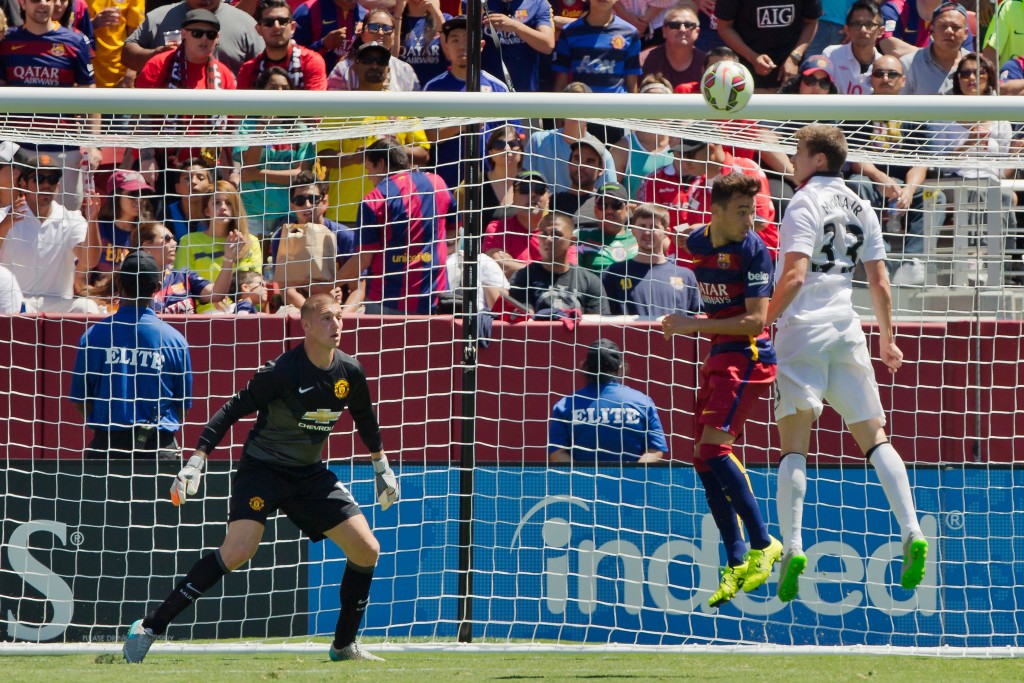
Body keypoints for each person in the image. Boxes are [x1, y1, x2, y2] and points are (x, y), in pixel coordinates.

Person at [121, 293, 399, 664]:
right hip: (263, 470)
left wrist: (381, 466)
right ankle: (149, 626)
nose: (336, 325)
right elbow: (231, 410)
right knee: (238, 551)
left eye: (339, 317)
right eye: (327, 318)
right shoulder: (282, 372)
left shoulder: (350, 372)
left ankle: (343, 645)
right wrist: (196, 461)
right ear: (306, 326)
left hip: (309, 474)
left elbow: (365, 418)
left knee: (367, 550)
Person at [766, 123, 928, 603]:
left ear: (818, 159)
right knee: (875, 438)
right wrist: (887, 340)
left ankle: (793, 547)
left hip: (802, 330)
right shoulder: (862, 205)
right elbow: (879, 282)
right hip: (847, 328)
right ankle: (912, 530)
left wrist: (761, 323)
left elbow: (795, 275)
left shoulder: (803, 202)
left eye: (798, 153)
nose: (792, 161)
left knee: (794, 446)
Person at [660, 172, 781, 609]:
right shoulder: (698, 242)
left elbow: (756, 321)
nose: (750, 220)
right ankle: (735, 559)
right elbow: (682, 237)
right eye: (742, 211)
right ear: (716, 212)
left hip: (748, 355)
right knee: (701, 458)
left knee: (714, 450)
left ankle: (764, 542)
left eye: (753, 211)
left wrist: (692, 323)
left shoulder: (754, 250)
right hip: (719, 355)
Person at [69, 250, 192, 460]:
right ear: (158, 287)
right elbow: (182, 406)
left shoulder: (93, 336)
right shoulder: (175, 340)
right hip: (159, 451)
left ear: (118, 281)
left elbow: (82, 400)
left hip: (108, 449)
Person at [0, 0, 98, 211]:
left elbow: (91, 96)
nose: (43, 4)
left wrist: (93, 144)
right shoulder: (7, 42)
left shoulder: (75, 40)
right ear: (22, 3)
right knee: (15, 221)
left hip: (63, 148)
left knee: (67, 221)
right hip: (17, 149)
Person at [338, 138, 452, 315]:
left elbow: (363, 260)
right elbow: (452, 232)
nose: (368, 176)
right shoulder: (437, 183)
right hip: (435, 298)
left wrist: (331, 283)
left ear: (381, 164)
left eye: (368, 169)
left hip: (387, 301)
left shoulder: (374, 200)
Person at [0, 153, 100, 313]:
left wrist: (93, 220)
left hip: (56, 303)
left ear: (58, 185)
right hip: (15, 302)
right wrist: (5, 226)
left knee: (88, 308)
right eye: (39, 179)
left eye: (52, 179)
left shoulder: (71, 218)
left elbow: (90, 261)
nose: (46, 185)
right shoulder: (4, 216)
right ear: (24, 183)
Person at [549, 338, 668, 463]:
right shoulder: (642, 402)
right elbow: (655, 450)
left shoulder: (565, 405)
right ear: (620, 368)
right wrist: (633, 474)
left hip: (582, 476)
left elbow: (557, 453)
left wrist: (582, 475)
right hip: (632, 476)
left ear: (585, 367)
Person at [173, 180, 262, 312]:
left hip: (244, 311)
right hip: (204, 314)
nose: (223, 207)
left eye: (229, 203)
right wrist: (213, 298)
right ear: (206, 211)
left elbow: (257, 288)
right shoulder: (189, 241)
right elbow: (181, 287)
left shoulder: (251, 242)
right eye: (216, 203)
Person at [602, 203, 701, 318]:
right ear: (633, 230)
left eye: (654, 227)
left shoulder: (686, 276)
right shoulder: (614, 273)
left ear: (666, 232)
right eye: (642, 226)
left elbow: (698, 320)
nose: (647, 232)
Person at [123, 0, 263, 76]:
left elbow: (264, 68)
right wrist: (155, 56)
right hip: (166, 115)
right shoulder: (159, 17)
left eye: (210, 35)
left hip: (226, 115)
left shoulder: (246, 23)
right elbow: (127, 53)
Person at [508, 211, 609, 315]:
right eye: (544, 234)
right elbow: (524, 321)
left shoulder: (590, 282)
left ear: (572, 241)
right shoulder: (523, 277)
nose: (548, 239)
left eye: (556, 235)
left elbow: (598, 323)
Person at [135, 220, 239, 314]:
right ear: (147, 246)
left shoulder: (184, 276)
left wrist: (229, 258)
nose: (174, 243)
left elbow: (216, 294)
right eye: (167, 239)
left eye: (173, 239)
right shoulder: (134, 283)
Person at [714, 0, 820, 91]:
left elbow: (811, 22)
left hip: (789, 74)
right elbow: (724, 26)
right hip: (746, 75)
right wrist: (752, 57)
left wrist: (794, 57)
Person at [552, 0, 642, 93]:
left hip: (616, 101)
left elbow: (632, 83)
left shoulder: (629, 33)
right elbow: (561, 82)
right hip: (580, 101)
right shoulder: (569, 32)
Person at [237, 0, 328, 91]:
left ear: (293, 27)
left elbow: (315, 100)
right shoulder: (248, 70)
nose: (276, 27)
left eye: (282, 21)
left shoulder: (311, 62)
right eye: (269, 22)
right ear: (259, 29)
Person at [483, 170, 554, 279]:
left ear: (548, 197)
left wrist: (513, 264)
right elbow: (499, 266)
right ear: (513, 197)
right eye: (525, 189)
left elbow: (566, 271)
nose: (532, 194)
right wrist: (546, 271)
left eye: (539, 189)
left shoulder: (558, 232)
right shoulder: (498, 228)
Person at [327, 8, 419, 92]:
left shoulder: (405, 71)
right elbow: (332, 103)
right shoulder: (343, 70)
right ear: (362, 33)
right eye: (374, 27)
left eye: (387, 29)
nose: (381, 32)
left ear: (394, 36)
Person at [480, 0, 555, 93]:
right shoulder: (478, 3)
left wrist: (516, 27)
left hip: (525, 89)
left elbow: (548, 45)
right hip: (488, 88)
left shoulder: (538, 3)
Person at [899, 2, 969, 95]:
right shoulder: (908, 65)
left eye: (955, 27)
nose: (949, 31)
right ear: (932, 30)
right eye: (943, 26)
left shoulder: (976, 64)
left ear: (966, 33)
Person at [639, 4, 706, 90]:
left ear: (697, 32)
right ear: (664, 31)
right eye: (675, 25)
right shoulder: (644, 61)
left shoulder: (706, 64)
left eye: (688, 25)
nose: (682, 29)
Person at [823, 1, 883, 95]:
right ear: (847, 29)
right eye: (857, 24)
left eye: (869, 24)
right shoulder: (831, 55)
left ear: (881, 31)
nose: (863, 30)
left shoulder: (884, 67)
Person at [577, 182, 638, 274]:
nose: (609, 211)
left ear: (626, 209)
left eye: (616, 205)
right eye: (603, 205)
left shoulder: (639, 237)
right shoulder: (580, 237)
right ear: (595, 210)